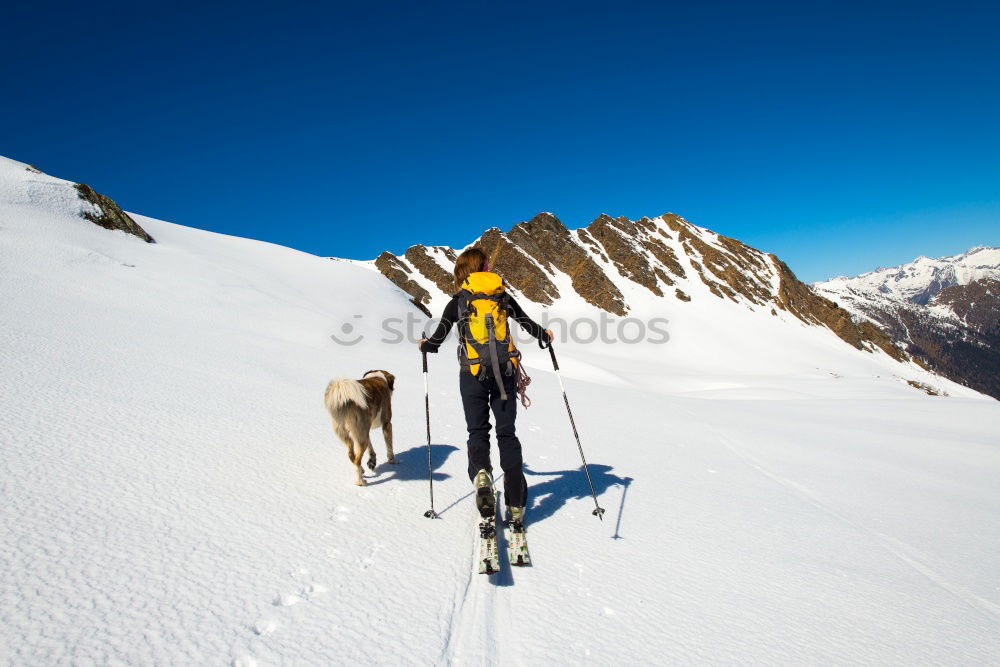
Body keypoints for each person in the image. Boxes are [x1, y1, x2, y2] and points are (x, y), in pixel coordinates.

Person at [418, 246, 552, 526]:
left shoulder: (458, 301)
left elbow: (438, 339)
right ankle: (515, 503)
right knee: (507, 435)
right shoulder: (502, 296)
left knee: (477, 432)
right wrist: (545, 335)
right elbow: (527, 324)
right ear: (483, 267)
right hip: (504, 374)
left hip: (471, 374)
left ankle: (481, 475)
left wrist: (425, 345)